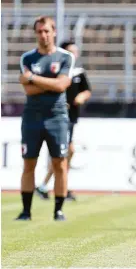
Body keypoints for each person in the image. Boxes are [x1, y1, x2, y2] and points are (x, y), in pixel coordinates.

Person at [16, 16, 74, 221]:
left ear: (54, 32)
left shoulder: (65, 57)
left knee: (60, 163)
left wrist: (33, 78)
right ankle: (26, 211)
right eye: (40, 31)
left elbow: (61, 86)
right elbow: (29, 90)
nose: (43, 35)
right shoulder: (27, 58)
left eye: (47, 31)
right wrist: (49, 83)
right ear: (36, 34)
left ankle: (58, 210)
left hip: (57, 117)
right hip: (32, 117)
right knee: (29, 163)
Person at [35, 40, 92, 202]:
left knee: (65, 152)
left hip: (71, 117)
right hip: (58, 117)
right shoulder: (56, 71)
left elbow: (87, 90)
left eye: (76, 51)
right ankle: (56, 187)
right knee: (64, 152)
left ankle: (47, 186)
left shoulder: (78, 72)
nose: (74, 54)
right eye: (71, 51)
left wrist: (82, 96)